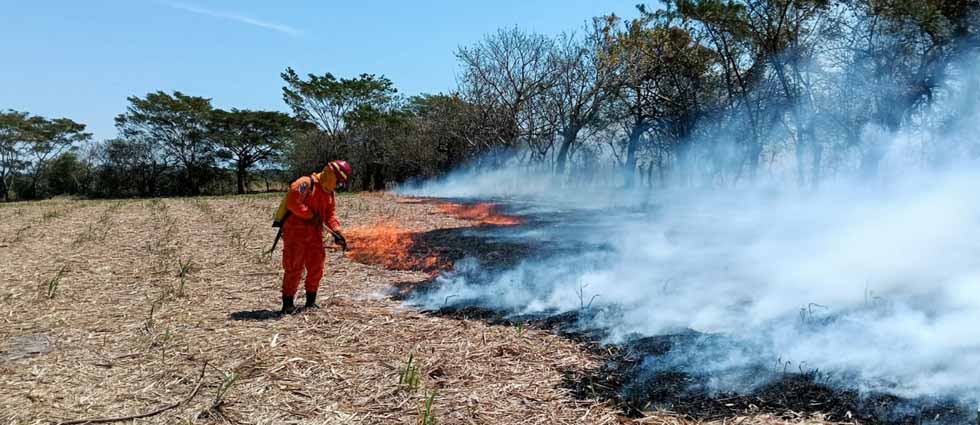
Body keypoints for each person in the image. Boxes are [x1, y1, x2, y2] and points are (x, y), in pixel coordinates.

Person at [273, 160, 352, 314]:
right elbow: (293, 203)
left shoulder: (329, 193)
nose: (338, 185)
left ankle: (311, 302)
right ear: (329, 173)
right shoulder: (305, 183)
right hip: (296, 234)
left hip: (315, 235)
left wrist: (337, 231)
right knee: (294, 268)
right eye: (338, 180)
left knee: (317, 267)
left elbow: (330, 215)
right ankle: (288, 304)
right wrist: (309, 216)